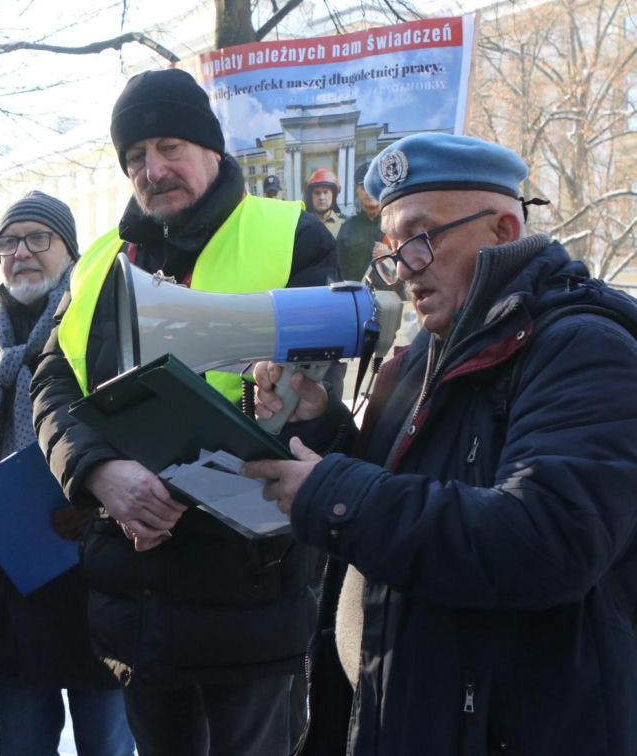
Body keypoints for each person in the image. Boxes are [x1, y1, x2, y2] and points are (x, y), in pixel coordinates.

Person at [245, 133, 637, 756]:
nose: (403, 270)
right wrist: (321, 426)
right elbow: (402, 477)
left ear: (504, 229)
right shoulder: (434, 346)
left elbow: (545, 538)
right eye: (393, 249)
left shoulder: (584, 347)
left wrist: (335, 495)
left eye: (422, 240)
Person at [31, 68, 339, 756]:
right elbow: (51, 383)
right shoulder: (97, 265)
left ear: (212, 147)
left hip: (250, 595)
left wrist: (287, 402)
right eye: (136, 156)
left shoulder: (293, 236)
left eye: (169, 145)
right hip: (136, 595)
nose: (153, 168)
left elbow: (321, 402)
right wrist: (98, 469)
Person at [0, 191, 134, 756]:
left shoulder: (103, 325)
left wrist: (97, 512)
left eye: (39, 239)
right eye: (9, 242)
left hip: (96, 580)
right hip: (3, 583)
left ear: (70, 251)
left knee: (106, 745)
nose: (21, 253)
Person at [335, 161, 387, 282]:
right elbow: (336, 268)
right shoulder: (348, 227)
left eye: (374, 185)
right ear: (357, 192)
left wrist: (390, 255)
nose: (369, 192)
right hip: (356, 296)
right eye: (364, 187)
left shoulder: (395, 225)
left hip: (391, 296)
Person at [303, 167, 344, 236]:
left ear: (333, 195)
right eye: (317, 193)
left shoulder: (344, 224)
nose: (322, 198)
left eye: (325, 192)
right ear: (311, 197)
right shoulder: (303, 224)